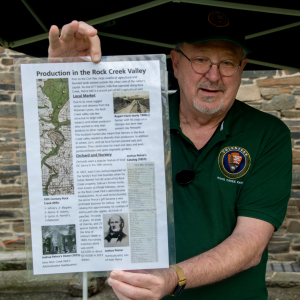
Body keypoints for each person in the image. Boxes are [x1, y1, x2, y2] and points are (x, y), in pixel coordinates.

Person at [48, 11, 292, 300]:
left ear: (242, 68)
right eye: (200, 59)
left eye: (227, 62)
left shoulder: (267, 133)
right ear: (175, 63)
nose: (213, 76)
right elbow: (74, 156)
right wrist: (69, 77)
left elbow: (250, 243)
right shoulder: (135, 112)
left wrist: (173, 277)